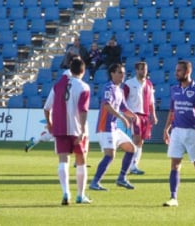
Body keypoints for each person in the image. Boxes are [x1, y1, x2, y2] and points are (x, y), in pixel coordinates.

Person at [163, 60, 195, 207]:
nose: (176, 73)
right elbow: (172, 111)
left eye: (179, 71)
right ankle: (173, 197)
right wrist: (166, 129)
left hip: (192, 132)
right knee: (175, 164)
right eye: (176, 70)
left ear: (187, 72)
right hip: (177, 131)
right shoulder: (174, 89)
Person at [43, 58, 92, 205]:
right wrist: (83, 130)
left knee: (63, 160)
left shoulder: (57, 85)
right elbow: (83, 111)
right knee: (81, 160)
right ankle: (80, 195)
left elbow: (46, 108)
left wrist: (50, 123)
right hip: (76, 129)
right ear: (83, 71)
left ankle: (66, 192)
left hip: (60, 128)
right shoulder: (84, 87)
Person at [89, 63, 138, 191]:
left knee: (131, 148)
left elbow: (123, 108)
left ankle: (121, 178)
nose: (123, 75)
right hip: (105, 127)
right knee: (110, 155)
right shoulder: (108, 88)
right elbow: (106, 105)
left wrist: (133, 116)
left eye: (124, 73)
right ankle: (95, 182)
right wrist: (122, 117)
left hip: (114, 128)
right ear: (112, 74)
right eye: (120, 72)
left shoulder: (120, 90)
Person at [123, 61, 158, 175]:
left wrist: (153, 114)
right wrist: (126, 114)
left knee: (141, 141)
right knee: (136, 139)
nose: (144, 71)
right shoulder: (129, 83)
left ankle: (134, 164)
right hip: (134, 115)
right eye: (142, 69)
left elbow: (151, 102)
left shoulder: (149, 84)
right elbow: (123, 101)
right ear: (136, 70)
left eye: (145, 69)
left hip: (145, 115)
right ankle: (131, 165)